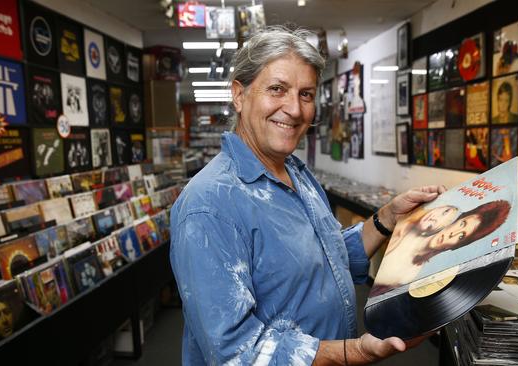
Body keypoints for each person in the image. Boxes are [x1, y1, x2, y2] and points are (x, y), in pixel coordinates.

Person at [170, 26, 446, 365]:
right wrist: (353, 352)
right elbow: (236, 352)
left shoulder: (296, 173)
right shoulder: (209, 205)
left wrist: (388, 216)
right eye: (277, 89)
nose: (295, 110)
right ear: (239, 95)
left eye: (306, 94)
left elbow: (324, 257)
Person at [370, 200, 511, 296]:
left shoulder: (412, 274)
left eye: (461, 236)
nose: (453, 233)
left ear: (457, 245)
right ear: (454, 220)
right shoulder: (409, 228)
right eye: (462, 224)